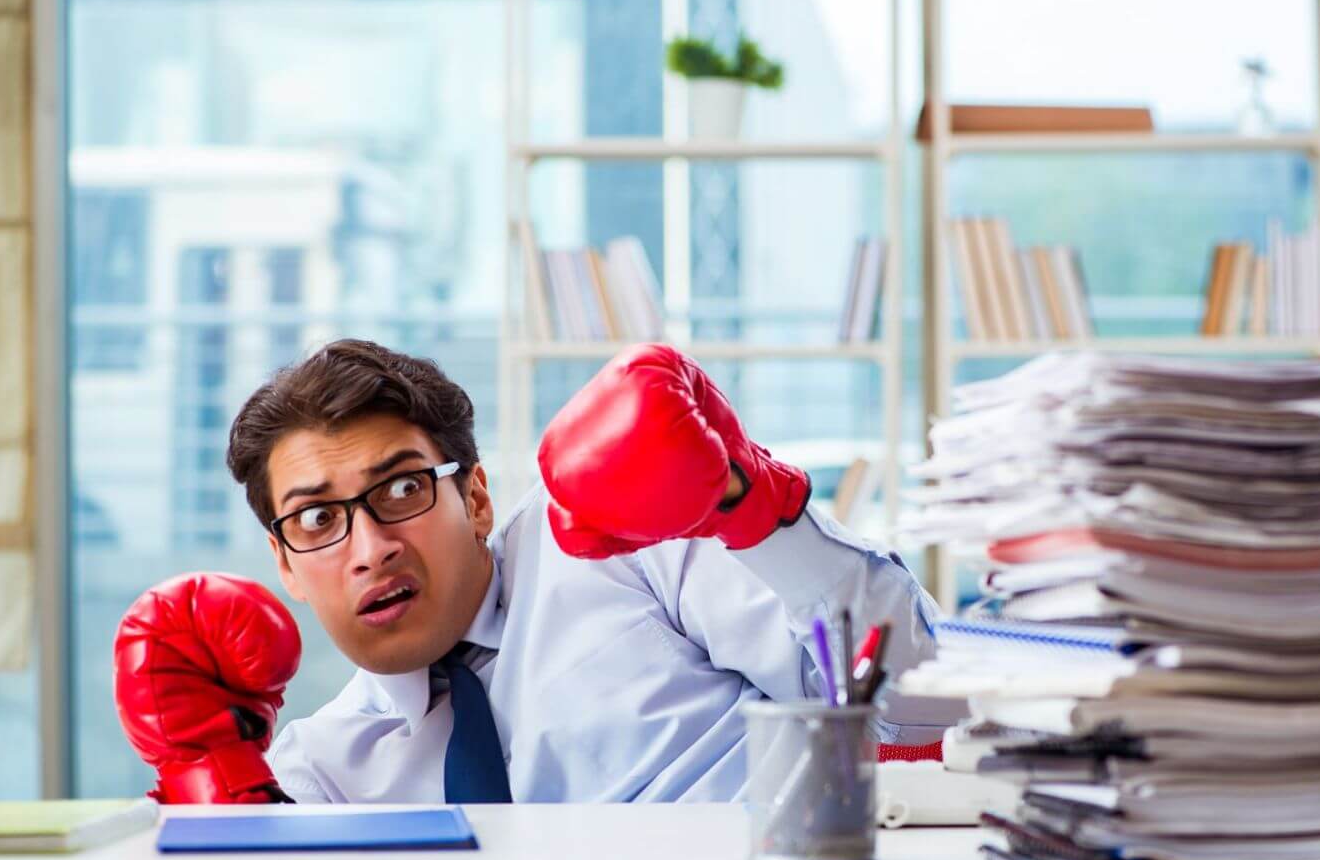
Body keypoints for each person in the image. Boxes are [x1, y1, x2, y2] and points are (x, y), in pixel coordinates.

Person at [113, 339, 938, 804]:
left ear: (475, 497)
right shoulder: (321, 772)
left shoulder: (617, 544)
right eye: (319, 518)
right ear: (286, 564)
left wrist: (751, 504)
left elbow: (924, 711)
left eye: (402, 489)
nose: (370, 547)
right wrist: (204, 772)